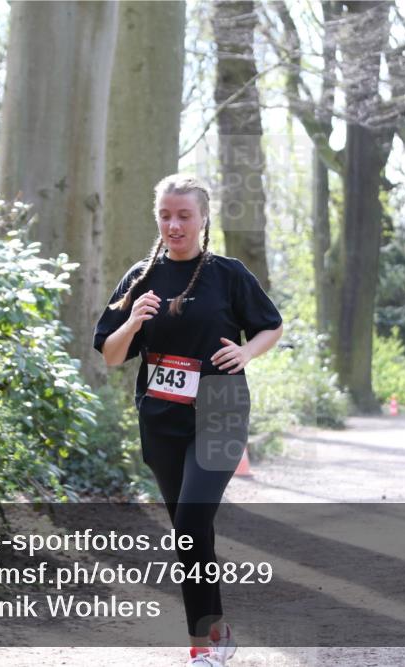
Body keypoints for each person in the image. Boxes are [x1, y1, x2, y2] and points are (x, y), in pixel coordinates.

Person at [93, 174, 283, 667]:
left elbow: (271, 325)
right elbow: (111, 355)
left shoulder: (227, 274)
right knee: (188, 532)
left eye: (183, 215)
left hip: (220, 408)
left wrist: (246, 352)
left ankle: (203, 646)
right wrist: (133, 320)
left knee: (193, 520)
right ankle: (216, 631)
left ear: (203, 219)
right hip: (161, 417)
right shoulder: (140, 278)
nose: (173, 225)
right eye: (165, 215)